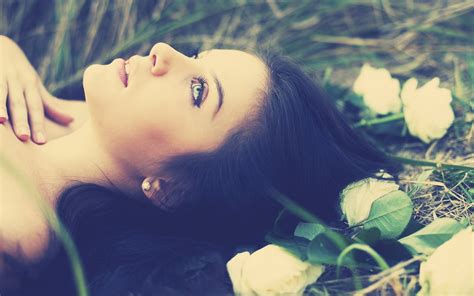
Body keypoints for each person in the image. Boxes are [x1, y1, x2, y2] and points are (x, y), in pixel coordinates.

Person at [0, 35, 402, 295]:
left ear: (171, 190)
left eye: (198, 91)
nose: (163, 52)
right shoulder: (46, 107)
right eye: (194, 57)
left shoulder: (16, 231)